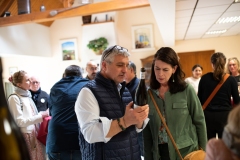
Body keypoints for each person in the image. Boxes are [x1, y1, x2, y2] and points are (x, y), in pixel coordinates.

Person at [75, 45, 149, 160]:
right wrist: (124, 121)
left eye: (126, 65)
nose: (125, 70)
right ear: (104, 65)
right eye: (120, 65)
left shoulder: (124, 91)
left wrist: (140, 117)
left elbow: (135, 128)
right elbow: (90, 133)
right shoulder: (88, 92)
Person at [144, 47, 207, 160]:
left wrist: (204, 151)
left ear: (174, 69)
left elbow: (199, 120)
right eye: (157, 68)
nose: (160, 74)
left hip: (185, 151)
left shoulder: (186, 90)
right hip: (159, 153)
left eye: (165, 69)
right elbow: (147, 131)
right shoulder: (149, 94)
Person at [46, 65, 89, 160]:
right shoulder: (89, 86)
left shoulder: (56, 87)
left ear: (64, 75)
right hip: (81, 140)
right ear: (81, 75)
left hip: (57, 140)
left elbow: (51, 112)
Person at [8, 70, 49, 160]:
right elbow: (19, 122)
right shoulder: (14, 98)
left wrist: (42, 114)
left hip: (34, 135)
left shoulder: (27, 95)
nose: (30, 82)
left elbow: (31, 115)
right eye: (27, 80)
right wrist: (40, 117)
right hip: (26, 137)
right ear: (19, 84)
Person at [198, 52, 240, 140]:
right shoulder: (231, 79)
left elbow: (199, 100)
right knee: (225, 145)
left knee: (210, 145)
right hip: (225, 116)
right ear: (225, 63)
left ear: (212, 64)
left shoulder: (204, 78)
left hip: (208, 116)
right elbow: (237, 101)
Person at [125, 61, 144, 156]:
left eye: (125, 69)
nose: (123, 72)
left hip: (139, 128)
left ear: (131, 70)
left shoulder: (139, 86)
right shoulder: (124, 86)